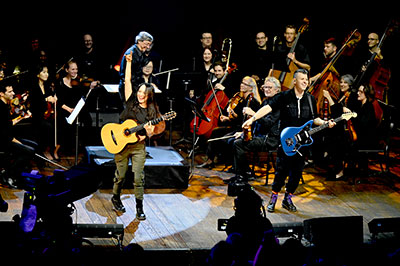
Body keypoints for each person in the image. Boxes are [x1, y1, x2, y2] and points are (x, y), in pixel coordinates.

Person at [243, 69, 336, 213]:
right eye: (302, 79)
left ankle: (288, 198)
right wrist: (252, 118)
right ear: (294, 81)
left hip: (302, 143)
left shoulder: (310, 99)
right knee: (281, 171)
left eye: (307, 79)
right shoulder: (284, 96)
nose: (305, 82)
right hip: (286, 141)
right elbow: (268, 108)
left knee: (297, 173)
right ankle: (274, 197)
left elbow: (314, 119)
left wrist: (325, 123)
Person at [111, 51, 161, 220]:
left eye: (143, 93)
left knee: (139, 177)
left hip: (138, 146)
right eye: (139, 91)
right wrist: (129, 62)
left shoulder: (152, 111)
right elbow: (127, 80)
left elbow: (152, 132)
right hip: (121, 144)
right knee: (121, 176)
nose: (140, 94)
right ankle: (115, 197)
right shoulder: (130, 101)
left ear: (149, 96)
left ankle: (139, 207)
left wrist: (147, 133)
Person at [198, 76, 261, 169]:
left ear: (251, 88)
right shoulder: (241, 99)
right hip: (236, 126)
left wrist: (234, 116)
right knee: (215, 131)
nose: (242, 85)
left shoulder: (253, 102)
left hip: (244, 130)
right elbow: (238, 118)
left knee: (224, 140)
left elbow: (248, 120)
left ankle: (231, 163)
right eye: (242, 83)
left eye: (245, 84)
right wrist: (228, 118)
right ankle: (210, 160)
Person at [231, 76, 281, 182]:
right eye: (265, 87)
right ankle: (240, 173)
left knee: (238, 144)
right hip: (260, 136)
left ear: (277, 90)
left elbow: (268, 123)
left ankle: (245, 174)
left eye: (270, 88)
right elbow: (257, 123)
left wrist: (254, 114)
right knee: (238, 140)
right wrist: (244, 133)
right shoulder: (265, 102)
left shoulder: (278, 106)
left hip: (270, 140)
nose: (266, 89)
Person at [0, 82, 36, 188]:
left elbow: (8, 124)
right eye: (10, 91)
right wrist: (16, 141)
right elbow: (3, 132)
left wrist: (21, 117)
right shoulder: (0, 108)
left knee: (34, 145)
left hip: (9, 137)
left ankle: (17, 174)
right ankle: (8, 174)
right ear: (1, 93)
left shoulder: (5, 105)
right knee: (30, 151)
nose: (13, 93)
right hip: (3, 140)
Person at [29, 64, 59, 160]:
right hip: (37, 115)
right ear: (38, 74)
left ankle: (54, 150)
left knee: (58, 124)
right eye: (44, 72)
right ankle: (45, 150)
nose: (47, 74)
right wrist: (46, 99)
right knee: (48, 127)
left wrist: (54, 98)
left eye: (47, 72)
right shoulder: (33, 87)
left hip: (47, 114)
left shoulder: (47, 86)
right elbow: (34, 103)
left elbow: (52, 96)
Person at [118, 31, 153, 100]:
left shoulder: (141, 53)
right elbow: (129, 74)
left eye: (149, 45)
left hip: (135, 86)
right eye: (147, 44)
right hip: (129, 86)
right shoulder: (132, 53)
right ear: (139, 41)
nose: (148, 47)